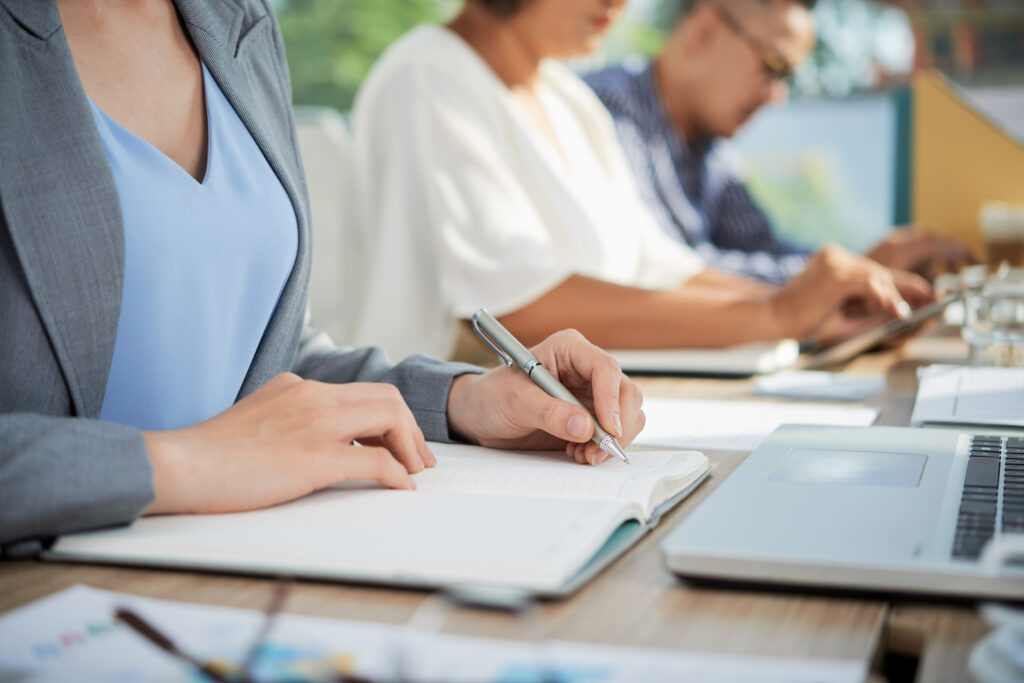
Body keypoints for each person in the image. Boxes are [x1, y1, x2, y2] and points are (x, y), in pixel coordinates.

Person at [0, 0, 647, 554]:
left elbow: (263, 361)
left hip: (251, 560)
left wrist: (467, 402)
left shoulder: (235, 21)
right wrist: (189, 462)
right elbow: (241, 437)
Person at [349, 0, 934, 363]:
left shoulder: (567, 99)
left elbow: (657, 266)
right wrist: (776, 315)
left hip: (563, 423)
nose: (621, 4)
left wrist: (813, 307)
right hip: (443, 443)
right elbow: (513, 312)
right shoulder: (429, 76)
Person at [584, 0, 971, 286]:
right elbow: (660, 269)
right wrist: (849, 272)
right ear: (705, 32)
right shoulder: (608, 109)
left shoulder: (709, 146)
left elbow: (761, 246)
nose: (777, 97)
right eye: (772, 68)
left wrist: (855, 269)